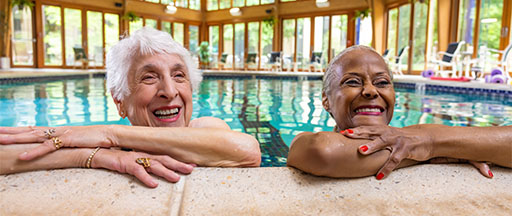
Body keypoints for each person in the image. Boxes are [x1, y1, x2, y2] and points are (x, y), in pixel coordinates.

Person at [0, 27, 261, 187]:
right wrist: (90, 156)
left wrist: (110, 134)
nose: (169, 91)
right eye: (149, 77)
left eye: (179, 76)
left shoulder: (205, 128)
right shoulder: (109, 150)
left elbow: (248, 150)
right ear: (120, 102)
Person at [287, 45, 511, 179]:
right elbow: (322, 152)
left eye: (382, 82)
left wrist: (426, 141)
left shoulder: (416, 135)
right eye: (353, 82)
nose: (370, 91)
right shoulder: (305, 141)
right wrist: (430, 148)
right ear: (325, 100)